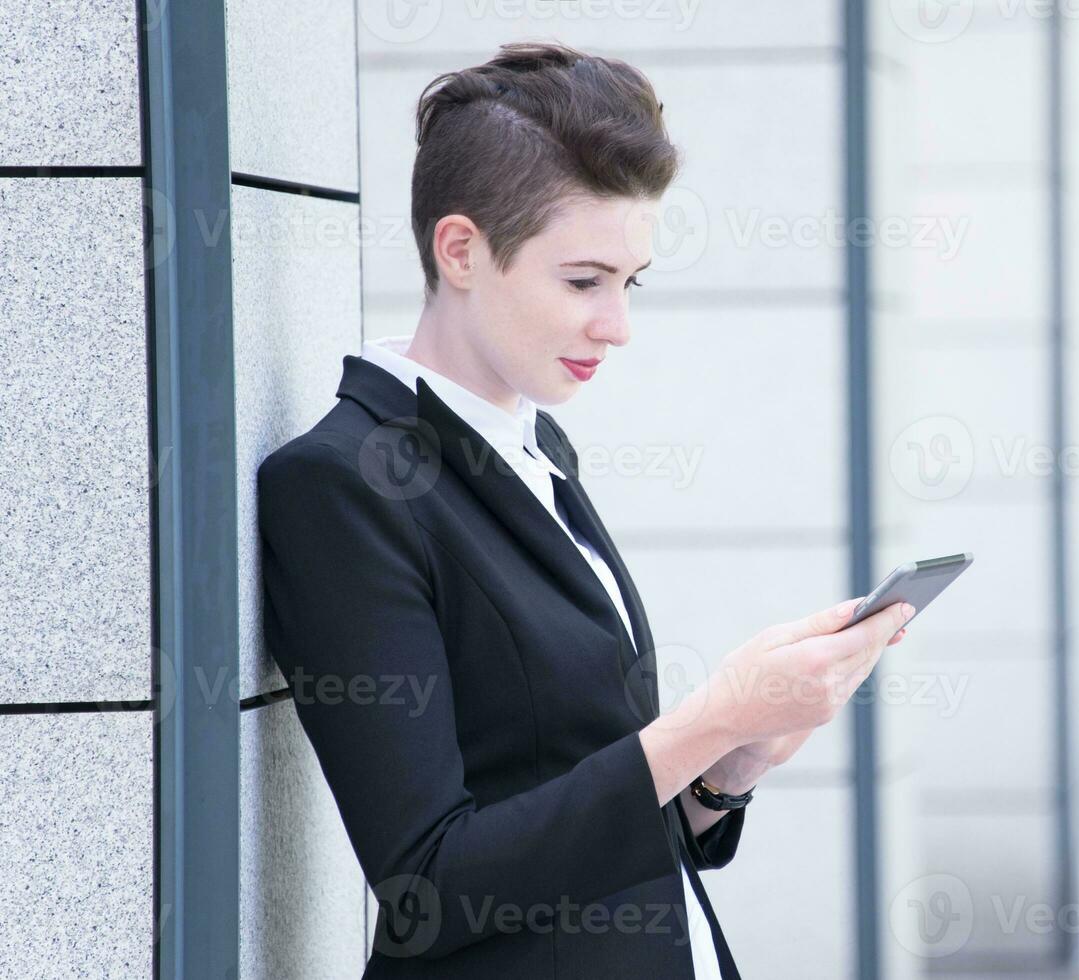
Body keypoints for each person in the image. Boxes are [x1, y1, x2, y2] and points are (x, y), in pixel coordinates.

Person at [255, 40, 913, 979]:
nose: (618, 324)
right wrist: (705, 722)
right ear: (461, 250)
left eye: (629, 282)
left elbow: (572, 788)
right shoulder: (341, 485)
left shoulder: (534, 447)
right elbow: (428, 883)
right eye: (583, 281)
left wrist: (727, 772)